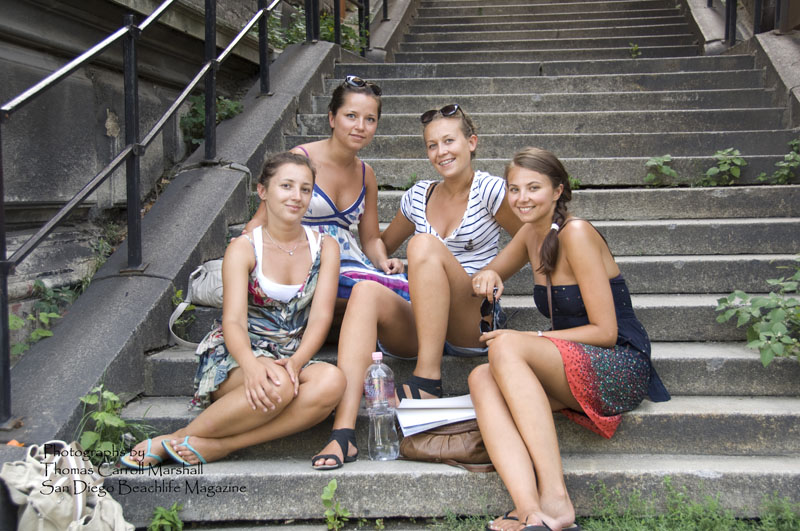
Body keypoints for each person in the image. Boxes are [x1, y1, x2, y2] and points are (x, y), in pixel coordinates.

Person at [468, 147, 670, 531]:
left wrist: (529, 336)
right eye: (514, 189)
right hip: (571, 361)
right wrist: (489, 275)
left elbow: (606, 332)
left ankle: (556, 501)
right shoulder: (530, 234)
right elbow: (489, 271)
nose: (522, 198)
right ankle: (529, 511)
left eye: (533, 188)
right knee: (480, 378)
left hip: (618, 363)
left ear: (558, 190)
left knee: (506, 345)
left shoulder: (576, 234)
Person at [311, 103, 522, 470]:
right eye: (432, 145)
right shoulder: (418, 196)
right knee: (365, 291)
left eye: (449, 141)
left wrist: (493, 271)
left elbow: (532, 237)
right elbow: (380, 243)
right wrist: (385, 262)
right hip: (423, 320)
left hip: (471, 319)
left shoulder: (490, 189)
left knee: (423, 244)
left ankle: (427, 380)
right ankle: (343, 432)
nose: (441, 152)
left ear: (471, 142)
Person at [121, 152, 343, 468]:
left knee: (332, 381)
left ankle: (222, 446)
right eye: (286, 186)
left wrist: (296, 362)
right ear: (263, 191)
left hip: (289, 355)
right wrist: (251, 366)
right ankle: (173, 440)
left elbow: (321, 316)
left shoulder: (326, 247)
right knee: (276, 384)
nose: (296, 196)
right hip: (237, 356)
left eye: (305, 189)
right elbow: (234, 321)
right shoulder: (243, 248)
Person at [246, 75, 408, 305]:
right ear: (332, 118)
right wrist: (242, 252)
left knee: (401, 291)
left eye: (370, 119)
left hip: (349, 263)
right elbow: (261, 219)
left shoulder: (366, 174)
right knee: (366, 295)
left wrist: (383, 262)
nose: (360, 126)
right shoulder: (300, 159)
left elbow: (371, 238)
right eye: (351, 116)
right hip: (300, 258)